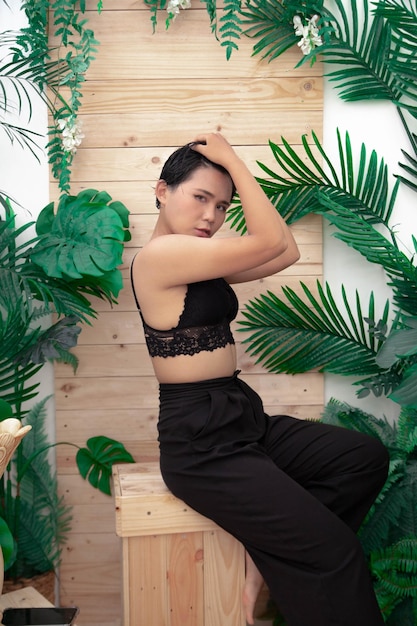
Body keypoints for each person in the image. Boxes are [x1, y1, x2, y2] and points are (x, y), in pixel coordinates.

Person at [130, 132, 389, 626]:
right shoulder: (161, 257)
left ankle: (270, 556)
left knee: (362, 459)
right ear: (162, 191)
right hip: (201, 443)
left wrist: (232, 172)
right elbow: (270, 240)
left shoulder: (200, 260)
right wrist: (232, 160)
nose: (211, 216)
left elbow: (284, 250)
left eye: (222, 206)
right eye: (200, 198)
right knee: (335, 554)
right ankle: (284, 559)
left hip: (240, 416)